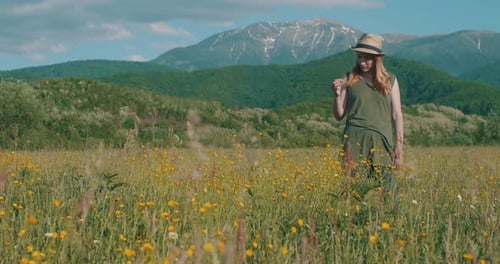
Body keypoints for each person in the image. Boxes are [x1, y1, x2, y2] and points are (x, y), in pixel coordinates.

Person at [331, 33, 404, 200]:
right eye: (359, 57)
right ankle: (353, 223)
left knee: (390, 191)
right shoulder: (348, 79)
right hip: (354, 141)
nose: (362, 62)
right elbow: (339, 115)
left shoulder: (390, 80)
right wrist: (336, 96)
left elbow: (397, 114)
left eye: (367, 58)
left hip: (381, 141)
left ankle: (388, 223)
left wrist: (399, 146)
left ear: (377, 59)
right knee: (353, 191)